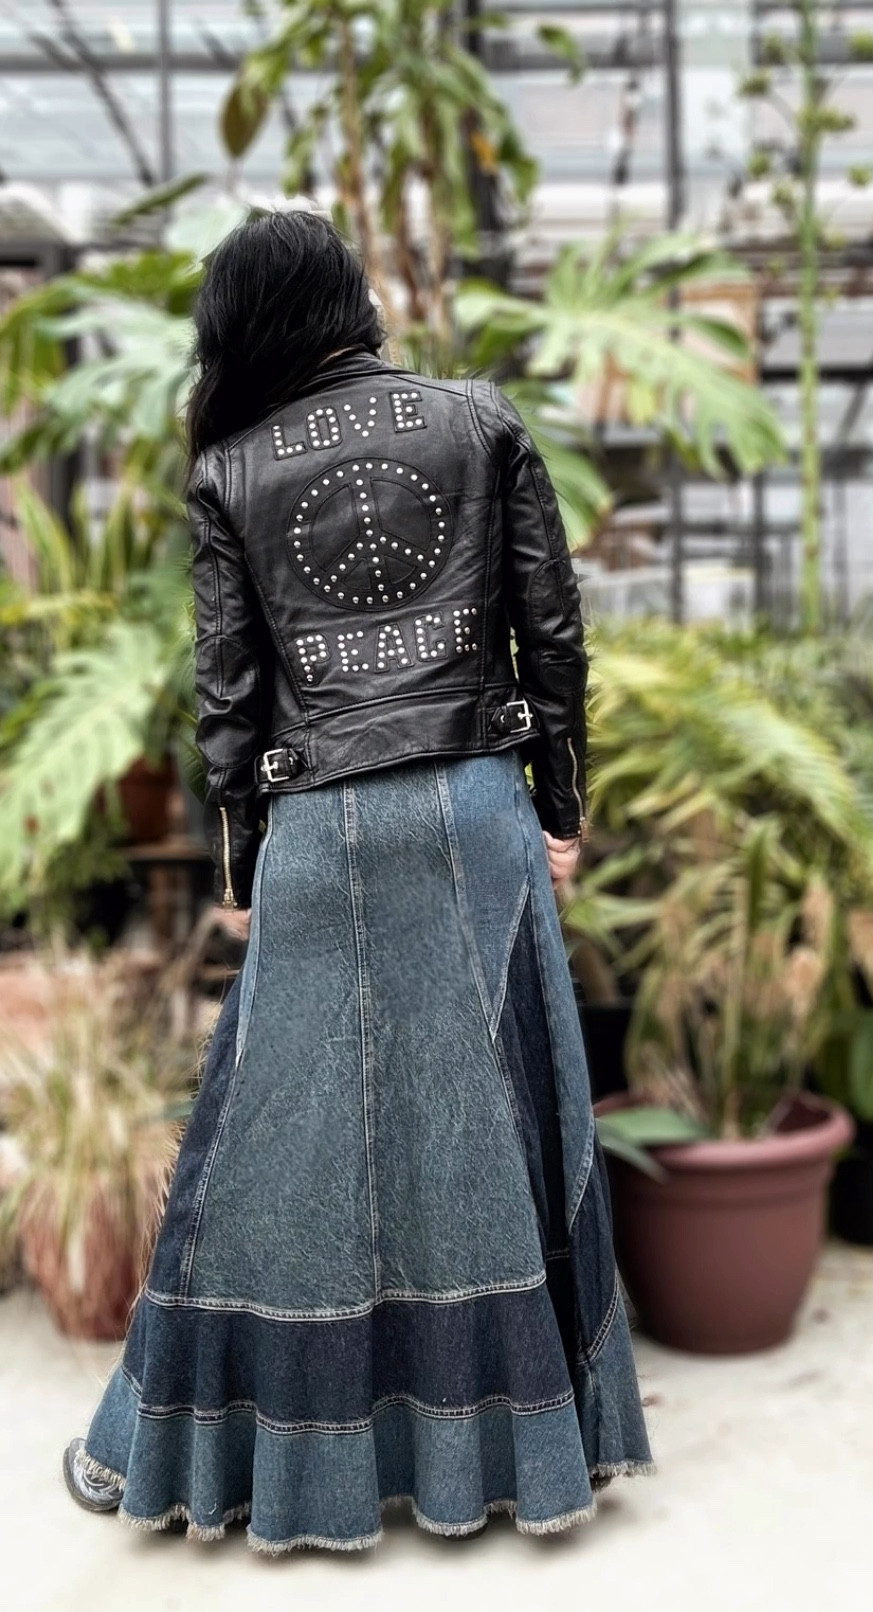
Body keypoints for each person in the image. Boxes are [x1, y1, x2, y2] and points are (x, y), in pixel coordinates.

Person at [63, 209, 653, 1554]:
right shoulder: (481, 418)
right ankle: (521, 1458)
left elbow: (228, 698)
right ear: (351, 300)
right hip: (473, 806)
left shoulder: (230, 467)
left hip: (320, 826)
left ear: (243, 329)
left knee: (262, 1146)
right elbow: (547, 629)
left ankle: (156, 1456)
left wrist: (243, 865)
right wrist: (556, 808)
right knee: (494, 1126)